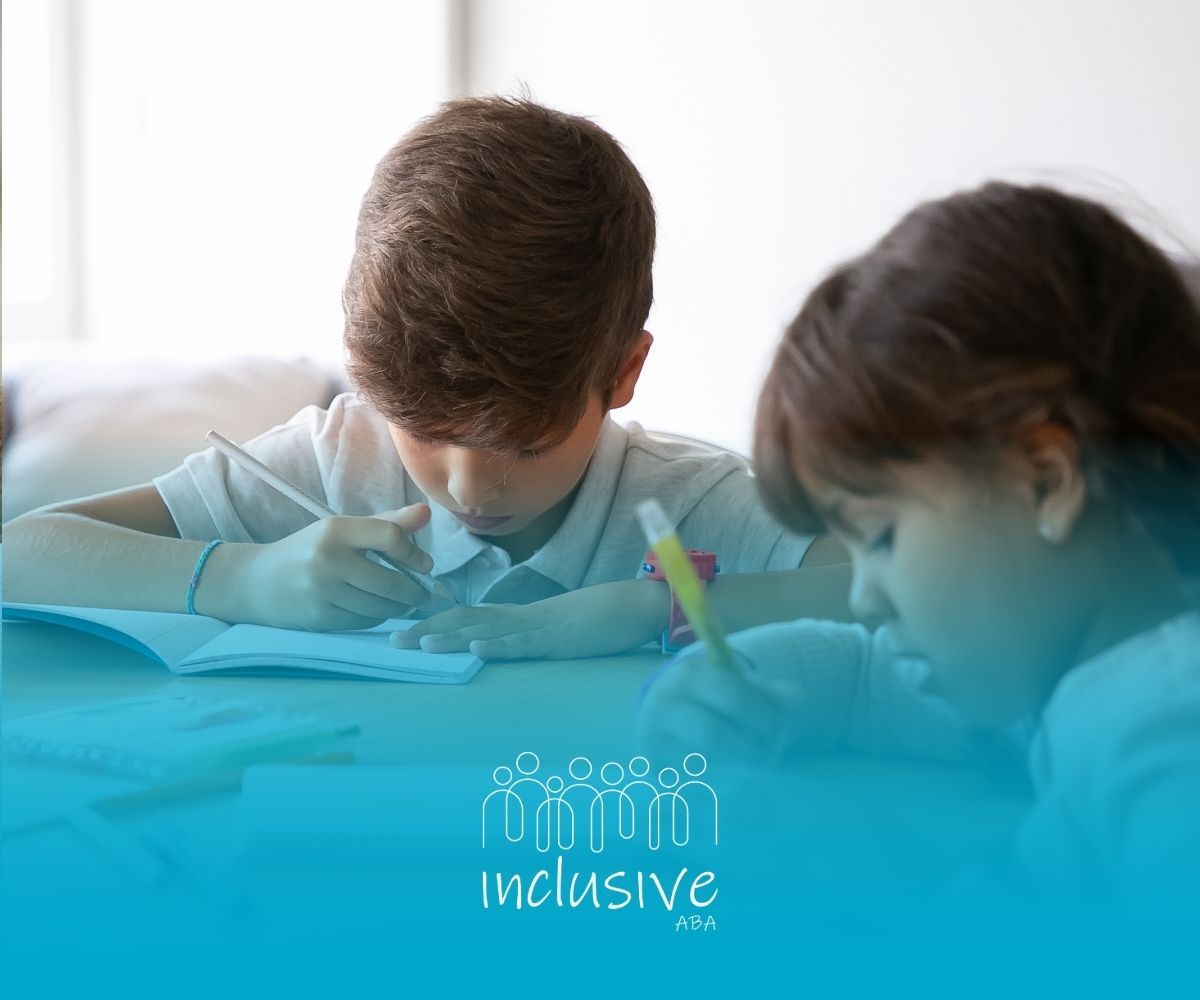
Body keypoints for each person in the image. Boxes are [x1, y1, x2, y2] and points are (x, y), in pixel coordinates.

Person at [5, 96, 848, 652]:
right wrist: (240, 577)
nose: (468, 487)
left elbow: (895, 592)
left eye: (523, 443)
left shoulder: (688, 506)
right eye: (429, 432)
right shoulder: (334, 463)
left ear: (623, 372)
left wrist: (655, 609)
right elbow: (20, 551)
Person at [638, 182, 1200, 910]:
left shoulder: (1168, 733)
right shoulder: (1070, 668)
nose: (861, 592)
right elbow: (876, 682)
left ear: (1043, 482)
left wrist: (902, 891)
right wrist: (737, 683)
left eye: (881, 538)